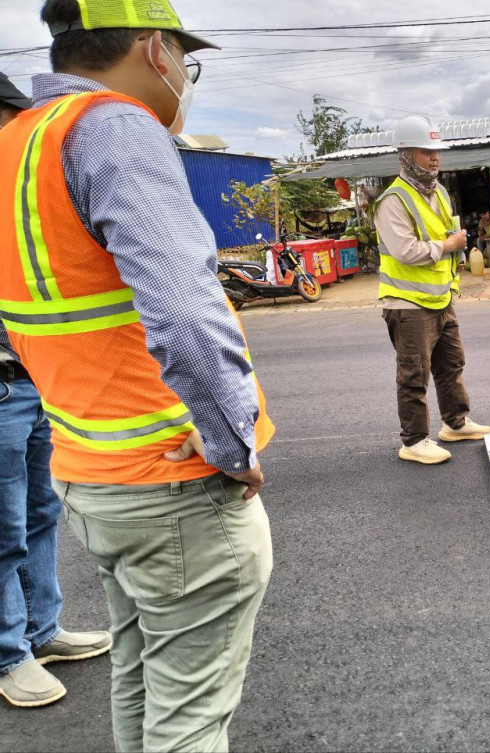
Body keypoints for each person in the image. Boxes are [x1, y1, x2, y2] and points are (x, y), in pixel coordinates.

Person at [0, 1, 275, 748]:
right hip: (172, 480)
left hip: (89, 472)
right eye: (186, 58)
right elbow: (186, 315)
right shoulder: (114, 127)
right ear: (156, 48)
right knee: (189, 718)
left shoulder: (18, 140)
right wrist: (234, 443)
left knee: (142, 673)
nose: (186, 74)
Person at [0, 71, 112, 709]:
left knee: (42, 514)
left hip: (34, 378)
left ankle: (42, 630)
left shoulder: (16, 186)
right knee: (3, 528)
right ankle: (8, 653)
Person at [373, 114, 490, 465]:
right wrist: (449, 245)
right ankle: (414, 441)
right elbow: (406, 251)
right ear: (406, 154)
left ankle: (456, 423)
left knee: (451, 365)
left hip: (441, 298)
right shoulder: (393, 200)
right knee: (413, 374)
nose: (435, 158)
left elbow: (446, 234)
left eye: (436, 151)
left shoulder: (439, 193)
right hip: (408, 303)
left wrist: (455, 254)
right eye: (427, 152)